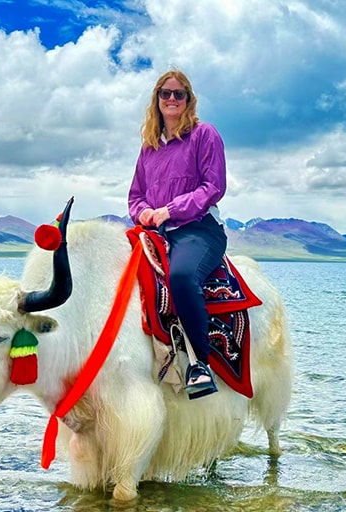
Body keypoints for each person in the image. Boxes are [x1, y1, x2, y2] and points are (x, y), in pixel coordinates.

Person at [128, 69, 228, 399]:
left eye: (179, 94)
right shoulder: (149, 148)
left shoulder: (204, 135)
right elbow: (135, 195)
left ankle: (200, 363)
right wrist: (142, 212)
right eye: (165, 94)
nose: (172, 99)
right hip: (157, 232)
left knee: (183, 276)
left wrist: (169, 210)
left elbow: (213, 187)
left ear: (188, 100)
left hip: (199, 230)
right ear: (156, 101)